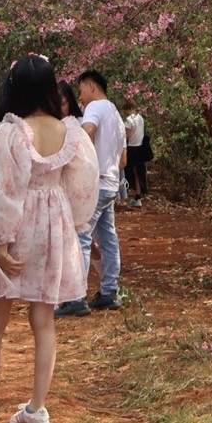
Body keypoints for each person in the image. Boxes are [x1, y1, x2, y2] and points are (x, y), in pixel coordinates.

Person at [0, 55, 97, 423]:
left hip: (17, 226)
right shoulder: (71, 132)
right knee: (44, 320)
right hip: (54, 224)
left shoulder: (8, 133)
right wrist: (73, 222)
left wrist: (1, 239)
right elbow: (85, 184)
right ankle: (37, 409)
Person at [57, 69, 124, 316]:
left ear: (91, 87)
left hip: (97, 183)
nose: (80, 97)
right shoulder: (116, 113)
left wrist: (68, 154)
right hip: (113, 182)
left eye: (81, 89)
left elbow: (87, 132)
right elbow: (124, 159)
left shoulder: (95, 107)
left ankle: (76, 297)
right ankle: (109, 292)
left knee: (81, 237)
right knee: (108, 238)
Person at [122, 106, 151, 209]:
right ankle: (137, 197)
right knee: (138, 173)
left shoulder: (129, 120)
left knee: (127, 173)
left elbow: (127, 136)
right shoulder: (140, 118)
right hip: (140, 148)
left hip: (131, 149)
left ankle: (125, 195)